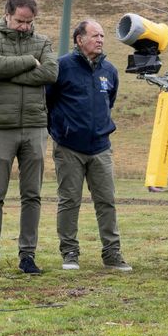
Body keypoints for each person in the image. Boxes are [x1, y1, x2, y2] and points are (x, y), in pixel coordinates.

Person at [0, 0, 58, 276]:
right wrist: (29, 61)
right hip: (0, 129)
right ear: (7, 15)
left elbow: (50, 74)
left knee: (32, 195)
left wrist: (9, 73)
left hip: (35, 128)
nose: (24, 26)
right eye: (20, 21)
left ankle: (28, 255)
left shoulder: (43, 41)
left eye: (29, 21)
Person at [47, 20, 131, 272]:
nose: (100, 40)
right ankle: (70, 252)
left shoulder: (110, 71)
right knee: (69, 200)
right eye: (95, 35)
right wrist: (60, 130)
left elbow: (109, 102)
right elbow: (48, 101)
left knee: (106, 201)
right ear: (79, 39)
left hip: (101, 148)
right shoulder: (62, 67)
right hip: (69, 147)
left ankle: (112, 254)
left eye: (103, 36)